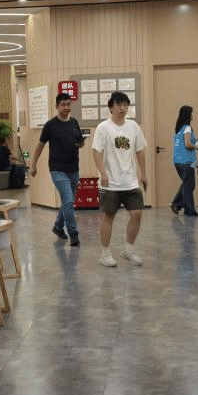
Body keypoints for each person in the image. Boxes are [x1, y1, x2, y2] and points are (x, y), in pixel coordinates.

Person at [91, 91, 148, 267]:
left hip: (130, 181)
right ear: (111, 108)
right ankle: (105, 254)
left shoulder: (133, 127)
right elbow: (96, 151)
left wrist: (143, 173)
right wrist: (103, 172)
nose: (122, 108)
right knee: (109, 217)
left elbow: (140, 151)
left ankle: (128, 250)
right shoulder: (103, 128)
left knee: (137, 214)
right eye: (118, 105)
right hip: (110, 183)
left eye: (125, 105)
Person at [29, 92, 86, 245]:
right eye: (63, 105)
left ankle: (58, 227)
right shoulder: (50, 125)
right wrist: (33, 165)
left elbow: (80, 142)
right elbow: (40, 146)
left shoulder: (74, 123)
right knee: (68, 200)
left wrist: (81, 144)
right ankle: (73, 234)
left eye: (68, 104)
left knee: (68, 201)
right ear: (57, 106)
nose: (66, 107)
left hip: (73, 169)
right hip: (57, 169)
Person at [169, 104, 198, 216]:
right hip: (186, 161)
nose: (192, 116)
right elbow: (187, 144)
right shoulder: (187, 128)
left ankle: (184, 207)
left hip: (178, 161)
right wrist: (196, 146)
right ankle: (179, 205)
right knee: (189, 185)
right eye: (191, 114)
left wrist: (196, 141)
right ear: (188, 115)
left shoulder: (179, 128)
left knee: (187, 185)